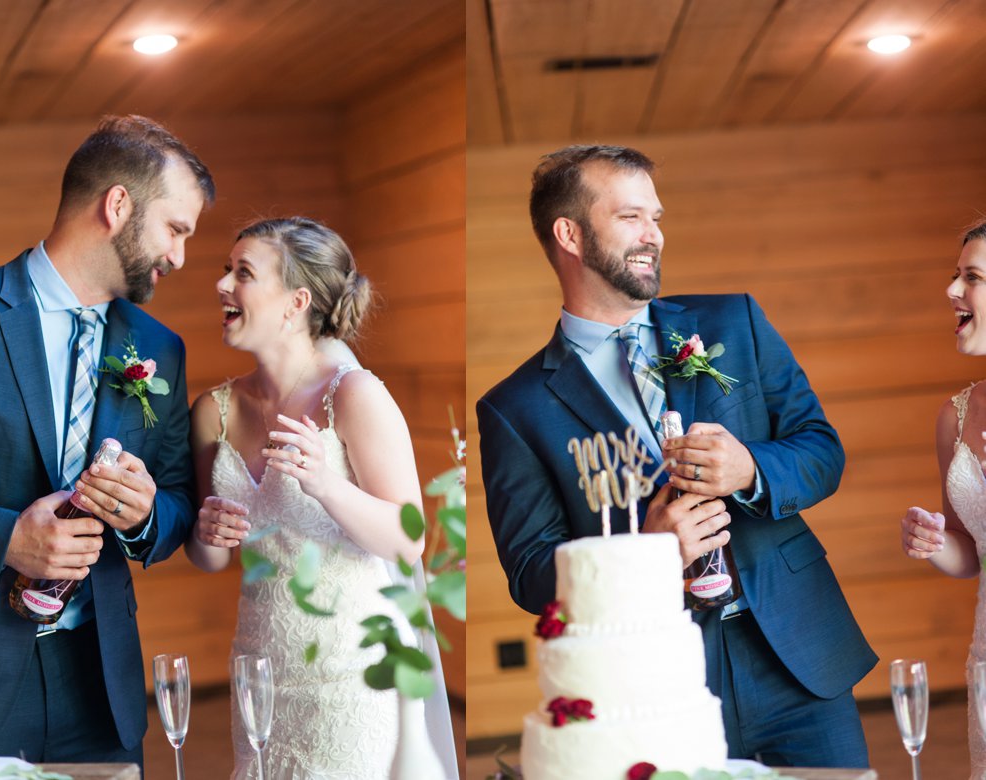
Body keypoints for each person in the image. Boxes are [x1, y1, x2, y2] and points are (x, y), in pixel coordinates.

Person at [477, 145, 877, 767]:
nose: (654, 236)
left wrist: (750, 469)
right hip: (656, 679)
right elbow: (531, 572)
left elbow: (822, 451)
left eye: (656, 218)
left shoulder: (734, 321)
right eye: (632, 217)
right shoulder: (515, 408)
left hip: (798, 660)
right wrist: (646, 551)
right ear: (570, 234)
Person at [0, 115, 215, 767]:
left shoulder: (158, 348)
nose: (180, 256)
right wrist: (3, 537)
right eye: (175, 229)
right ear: (118, 206)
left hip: (100, 686)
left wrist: (149, 513)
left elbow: (179, 499)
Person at [185, 217, 458, 779]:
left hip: (354, 675)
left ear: (295, 301)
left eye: (243, 273)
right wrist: (206, 532)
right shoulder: (214, 411)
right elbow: (209, 558)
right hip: (261, 670)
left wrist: (326, 485)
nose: (222, 286)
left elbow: (409, 540)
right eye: (225, 271)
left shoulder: (354, 395)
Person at [900, 219, 986, 777]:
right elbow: (971, 553)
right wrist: (934, 542)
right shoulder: (953, 416)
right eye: (955, 275)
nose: (952, 291)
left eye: (971, 277)